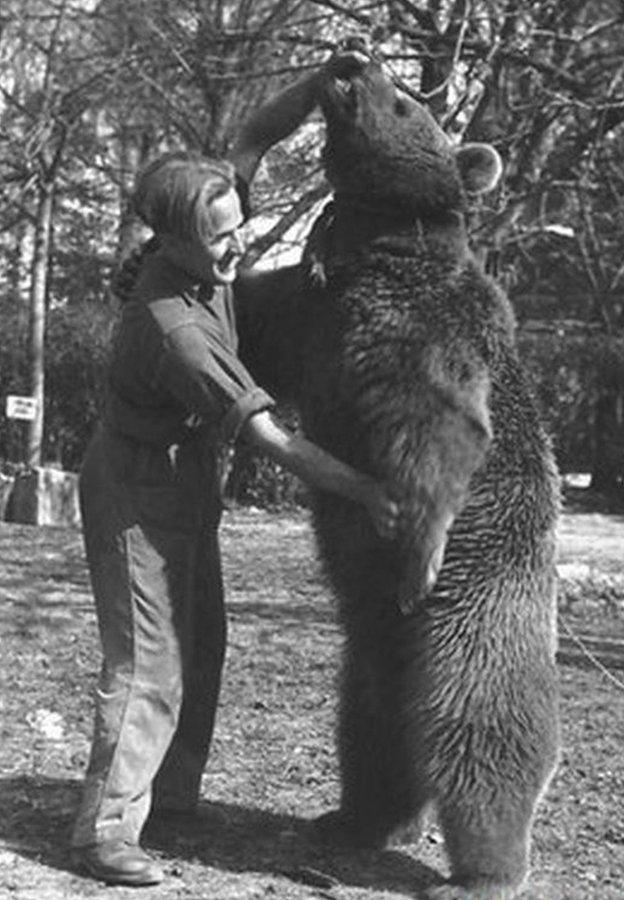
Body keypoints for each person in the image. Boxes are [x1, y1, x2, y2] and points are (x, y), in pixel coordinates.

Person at [70, 53, 399, 888]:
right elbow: (273, 441)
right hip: (135, 491)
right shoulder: (174, 328)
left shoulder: (205, 222)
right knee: (148, 661)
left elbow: (254, 133)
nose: (238, 243)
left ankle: (170, 797)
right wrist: (367, 490)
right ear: (173, 236)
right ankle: (106, 829)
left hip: (186, 479)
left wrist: (324, 83)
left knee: (202, 642)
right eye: (221, 237)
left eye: (238, 225)